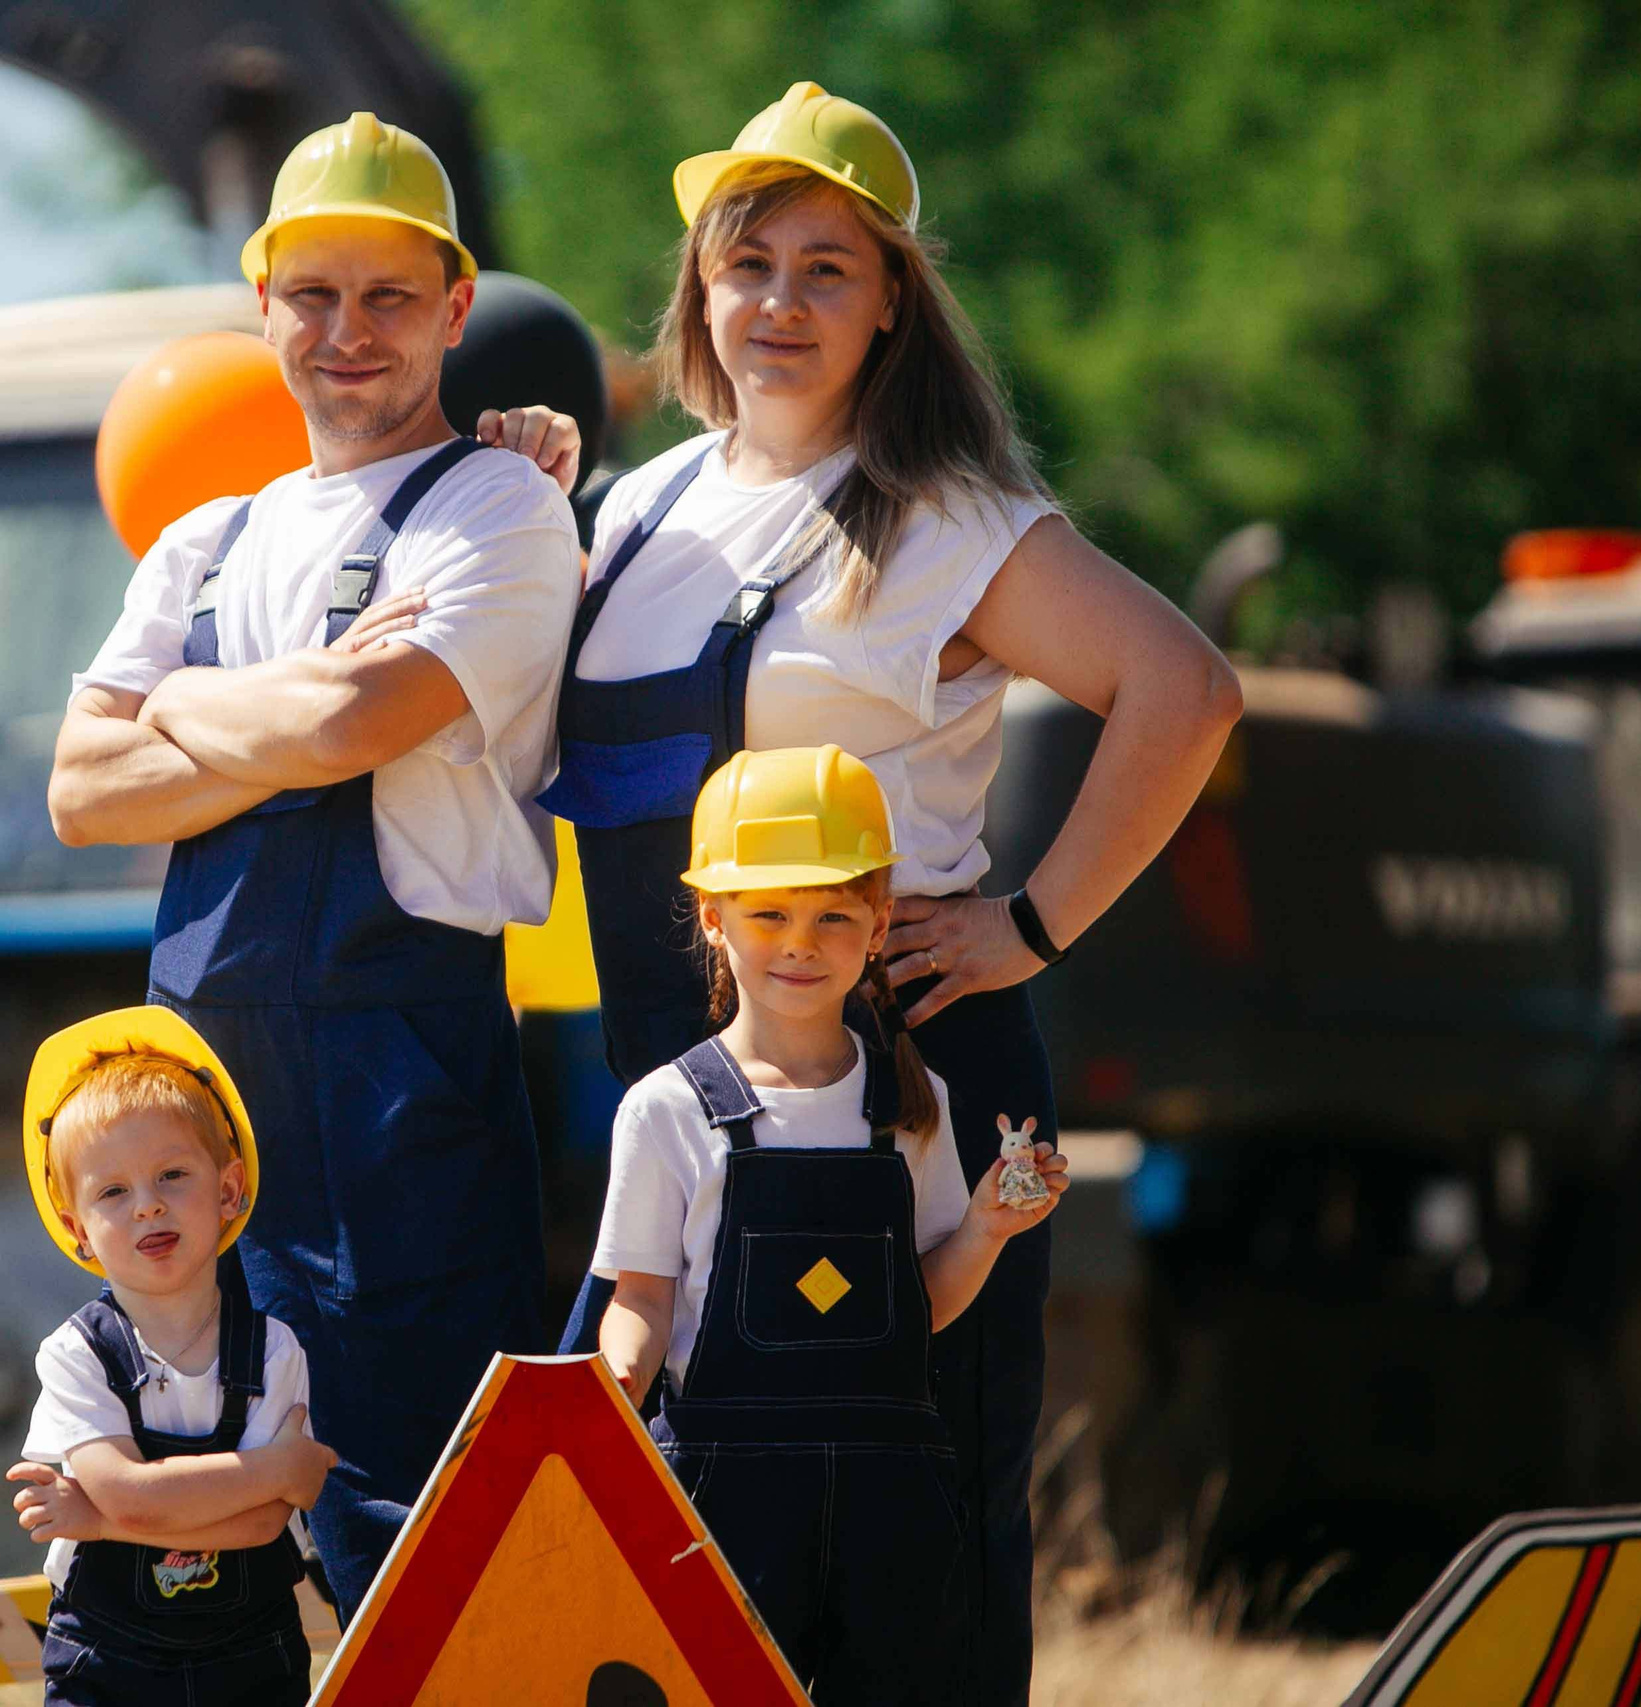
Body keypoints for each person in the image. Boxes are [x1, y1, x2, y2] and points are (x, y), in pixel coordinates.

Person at [524, 80, 1242, 1701]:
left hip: (909, 1077)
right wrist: (517, 473)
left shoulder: (947, 517)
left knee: (914, 1550)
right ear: (700, 286)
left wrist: (1030, 923)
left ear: (895, 298)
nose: (777, 300)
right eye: (747, 259)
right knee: (692, 1543)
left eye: (826, 267)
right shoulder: (633, 514)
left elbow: (1183, 690)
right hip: (680, 1096)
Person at [45, 112, 582, 1619]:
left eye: (390, 296)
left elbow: (358, 721)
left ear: (455, 309)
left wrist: (190, 710)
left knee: (420, 1544)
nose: (349, 332)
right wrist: (298, 711)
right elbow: (82, 790)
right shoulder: (204, 541)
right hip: (200, 1119)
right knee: (198, 1545)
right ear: (263, 306)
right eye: (315, 295)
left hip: (400, 1099)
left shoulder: (496, 505)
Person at [595, 746, 1067, 1703]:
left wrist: (985, 1229)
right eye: (769, 913)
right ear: (714, 919)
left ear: (880, 923)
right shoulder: (664, 1110)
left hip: (891, 1512)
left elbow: (920, 1309)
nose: (800, 942)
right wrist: (611, 1389)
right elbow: (641, 1297)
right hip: (724, 1504)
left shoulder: (913, 1100)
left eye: (833, 916)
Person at [5, 1006, 339, 1706]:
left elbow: (261, 1525)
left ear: (228, 1189)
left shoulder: (272, 1349)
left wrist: (96, 1517)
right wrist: (271, 1468)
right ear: (78, 1229)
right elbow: (132, 1495)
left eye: (172, 1176)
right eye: (113, 1191)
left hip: (249, 1663)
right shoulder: (77, 1355)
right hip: (108, 1664)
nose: (148, 1207)